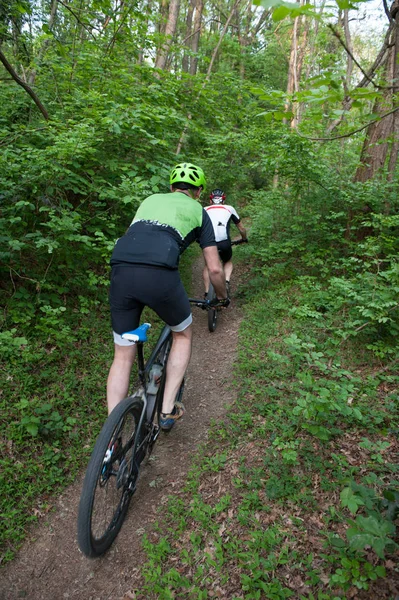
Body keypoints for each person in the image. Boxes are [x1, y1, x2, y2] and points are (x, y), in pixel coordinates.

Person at [107, 163, 228, 431]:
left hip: (120, 270)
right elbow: (215, 268)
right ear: (198, 192)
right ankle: (166, 409)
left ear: (171, 187)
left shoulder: (149, 200)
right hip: (160, 274)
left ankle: (111, 437)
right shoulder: (199, 210)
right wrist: (221, 296)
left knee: (122, 355)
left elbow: (137, 237)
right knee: (182, 334)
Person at [203, 188, 247, 298]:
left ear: (210, 200)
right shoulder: (229, 209)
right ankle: (226, 281)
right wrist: (244, 238)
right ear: (223, 200)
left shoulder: (203, 210)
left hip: (208, 243)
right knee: (227, 261)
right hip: (224, 243)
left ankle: (207, 292)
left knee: (208, 265)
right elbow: (241, 228)